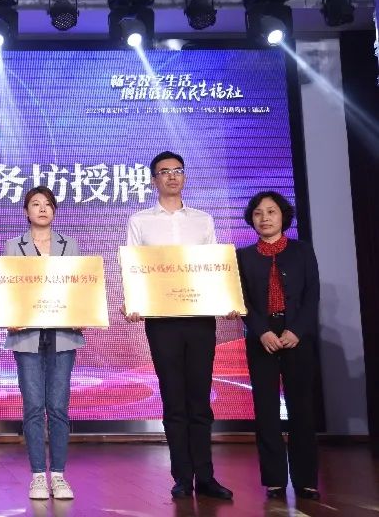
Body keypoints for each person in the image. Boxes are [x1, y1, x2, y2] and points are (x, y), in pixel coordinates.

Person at [123, 151, 233, 500]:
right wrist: (134, 302)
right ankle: (183, 477)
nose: (172, 176)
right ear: (153, 180)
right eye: (164, 171)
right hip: (162, 321)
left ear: (184, 177)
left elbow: (214, 266)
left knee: (200, 399)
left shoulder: (203, 220)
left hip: (200, 319)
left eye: (177, 170)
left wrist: (227, 299)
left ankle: (207, 476)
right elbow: (134, 268)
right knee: (173, 399)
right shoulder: (140, 220)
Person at [237, 191, 321, 501]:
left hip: (297, 336)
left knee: (302, 408)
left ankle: (306, 480)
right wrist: (261, 331)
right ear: (252, 219)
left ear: (283, 216)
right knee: (266, 410)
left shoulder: (302, 251)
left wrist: (297, 330)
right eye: (258, 213)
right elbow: (242, 301)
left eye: (271, 211)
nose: (265, 218)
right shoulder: (243, 256)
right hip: (262, 338)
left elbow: (312, 295)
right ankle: (274, 480)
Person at [4, 186, 84, 501]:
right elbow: (7, 289)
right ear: (26, 211)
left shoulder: (70, 245)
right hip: (27, 336)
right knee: (34, 406)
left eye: (47, 204)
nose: (41, 209)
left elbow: (80, 286)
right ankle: (38, 475)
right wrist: (9, 316)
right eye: (35, 204)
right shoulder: (14, 246)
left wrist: (83, 312)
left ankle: (59, 475)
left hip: (62, 334)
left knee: (59, 407)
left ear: (54, 210)